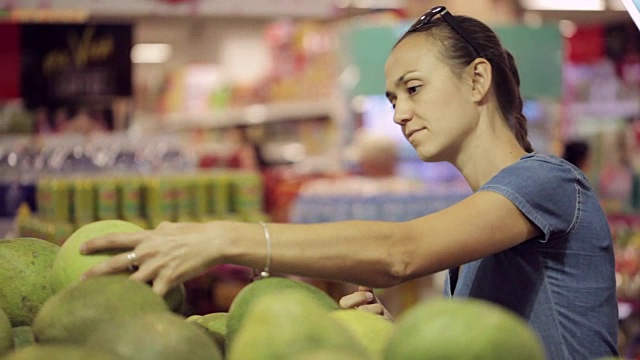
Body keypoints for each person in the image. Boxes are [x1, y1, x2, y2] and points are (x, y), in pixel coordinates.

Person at [81, 6, 619, 359]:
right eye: (391, 100)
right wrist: (392, 336)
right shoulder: (485, 219)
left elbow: (399, 253)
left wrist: (224, 238)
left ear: (478, 79)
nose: (400, 114)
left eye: (412, 88)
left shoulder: (548, 182)